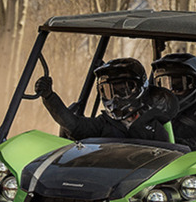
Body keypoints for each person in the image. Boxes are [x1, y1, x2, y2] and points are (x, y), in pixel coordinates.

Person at [34, 58, 178, 141]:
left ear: (139, 89)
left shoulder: (153, 126)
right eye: (109, 91)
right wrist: (49, 97)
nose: (115, 97)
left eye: (123, 90)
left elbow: (169, 162)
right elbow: (74, 125)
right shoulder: (104, 123)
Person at [150, 53, 196, 149]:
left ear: (194, 84)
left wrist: (181, 144)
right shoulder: (153, 110)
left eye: (178, 85)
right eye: (164, 85)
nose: (171, 91)